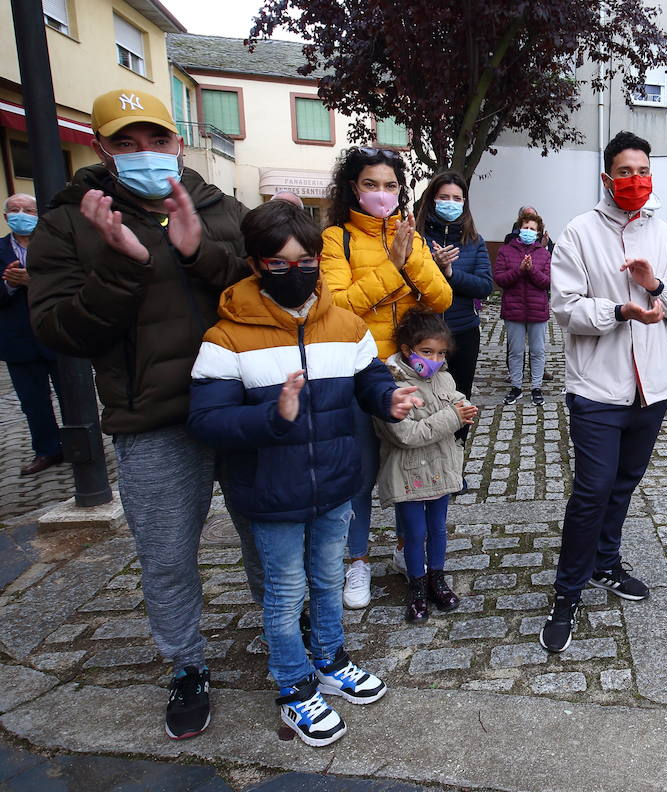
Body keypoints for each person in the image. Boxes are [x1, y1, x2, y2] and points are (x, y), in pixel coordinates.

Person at [27, 88, 249, 740]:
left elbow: (262, 287)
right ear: (101, 149)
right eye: (126, 143)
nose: (145, 154)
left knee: (268, 538)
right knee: (167, 556)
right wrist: (123, 265)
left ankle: (288, 635)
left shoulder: (220, 207)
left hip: (242, 407)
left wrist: (196, 251)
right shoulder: (68, 224)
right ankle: (186, 664)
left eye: (156, 139)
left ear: (178, 141)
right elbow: (60, 330)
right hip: (152, 421)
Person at [187, 201, 407, 747]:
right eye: (279, 264)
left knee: (329, 580)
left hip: (335, 483)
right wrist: (272, 415)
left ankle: (331, 659)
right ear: (256, 264)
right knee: (284, 595)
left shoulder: (346, 322)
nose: (296, 273)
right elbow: (206, 419)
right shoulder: (226, 336)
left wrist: (389, 397)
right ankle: (292, 688)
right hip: (270, 491)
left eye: (306, 261)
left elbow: (369, 379)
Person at [541, 131, 667, 653]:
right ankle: (567, 592)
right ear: (607, 178)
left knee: (625, 483)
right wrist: (618, 310)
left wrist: (654, 287)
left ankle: (605, 563)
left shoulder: (664, 235)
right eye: (626, 172)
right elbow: (564, 308)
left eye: (643, 170)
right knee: (592, 490)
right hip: (597, 389)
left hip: (650, 389)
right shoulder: (579, 232)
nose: (636, 180)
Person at [320, 147, 453, 609]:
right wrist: (392, 267)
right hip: (361, 373)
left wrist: (409, 257)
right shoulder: (337, 239)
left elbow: (440, 298)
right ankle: (357, 561)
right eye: (371, 184)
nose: (382, 194)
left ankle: (405, 550)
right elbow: (338, 307)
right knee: (359, 473)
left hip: (408, 372)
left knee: (409, 465)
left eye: (391, 185)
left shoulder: (410, 236)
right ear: (353, 188)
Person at [374, 310, 479, 623]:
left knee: (437, 528)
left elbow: (456, 402)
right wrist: (453, 417)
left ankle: (437, 577)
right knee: (414, 531)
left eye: (440, 353)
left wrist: (462, 408)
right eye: (427, 352)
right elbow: (406, 434)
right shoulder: (390, 386)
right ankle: (416, 584)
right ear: (408, 350)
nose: (434, 359)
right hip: (408, 473)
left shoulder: (443, 377)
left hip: (441, 468)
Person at [417, 172, 491, 443]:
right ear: (432, 199)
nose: (451, 202)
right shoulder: (417, 238)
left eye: (457, 198)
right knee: (425, 397)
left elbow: (484, 285)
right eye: (444, 197)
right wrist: (432, 268)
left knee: (461, 395)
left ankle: (456, 451)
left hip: (463, 331)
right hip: (423, 332)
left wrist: (449, 272)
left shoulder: (474, 240)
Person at [3, 193, 64, 475]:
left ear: (38, 214)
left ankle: (85, 447)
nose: (20, 214)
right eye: (14, 210)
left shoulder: (55, 246)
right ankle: (47, 450)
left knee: (73, 396)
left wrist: (34, 281)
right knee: (33, 401)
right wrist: (11, 286)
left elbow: (70, 283)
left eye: (27, 210)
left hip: (59, 335)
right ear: (6, 217)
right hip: (18, 341)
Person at [494, 212, 553, 405]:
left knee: (538, 351)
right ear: (519, 229)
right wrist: (519, 270)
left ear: (538, 233)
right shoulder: (505, 251)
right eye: (525, 228)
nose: (528, 231)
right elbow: (500, 279)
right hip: (514, 310)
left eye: (532, 229)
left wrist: (531, 270)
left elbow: (547, 282)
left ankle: (536, 387)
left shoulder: (544, 254)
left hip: (537, 310)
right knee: (516, 351)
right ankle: (516, 387)